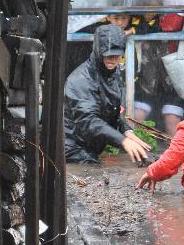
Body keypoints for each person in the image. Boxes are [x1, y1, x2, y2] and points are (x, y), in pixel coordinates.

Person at [64, 25, 151, 164]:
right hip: (70, 148)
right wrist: (123, 141)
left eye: (117, 56)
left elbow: (112, 113)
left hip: (89, 147)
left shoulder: (113, 75)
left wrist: (127, 132)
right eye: (108, 55)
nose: (113, 60)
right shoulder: (81, 79)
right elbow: (88, 121)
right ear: (98, 51)